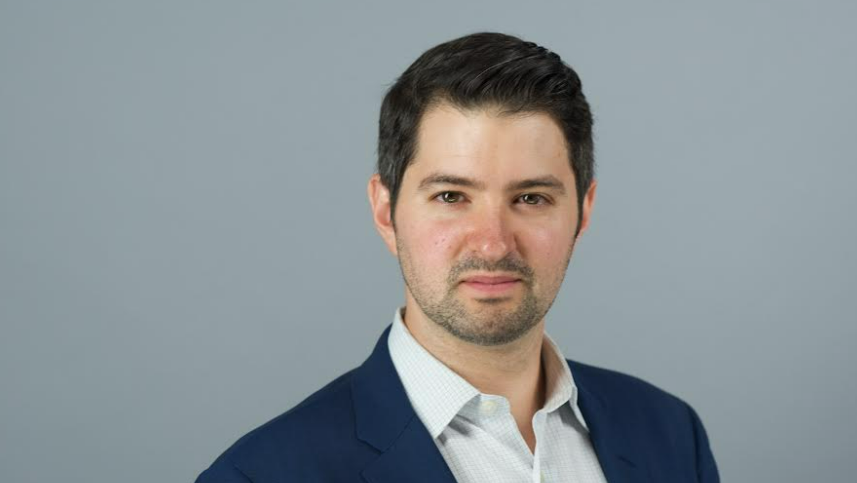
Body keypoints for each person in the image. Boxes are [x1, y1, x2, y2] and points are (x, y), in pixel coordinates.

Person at [195, 31, 719, 483]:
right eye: (451, 196)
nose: (493, 243)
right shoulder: (260, 474)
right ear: (385, 211)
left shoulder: (672, 435)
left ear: (583, 211)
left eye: (531, 198)